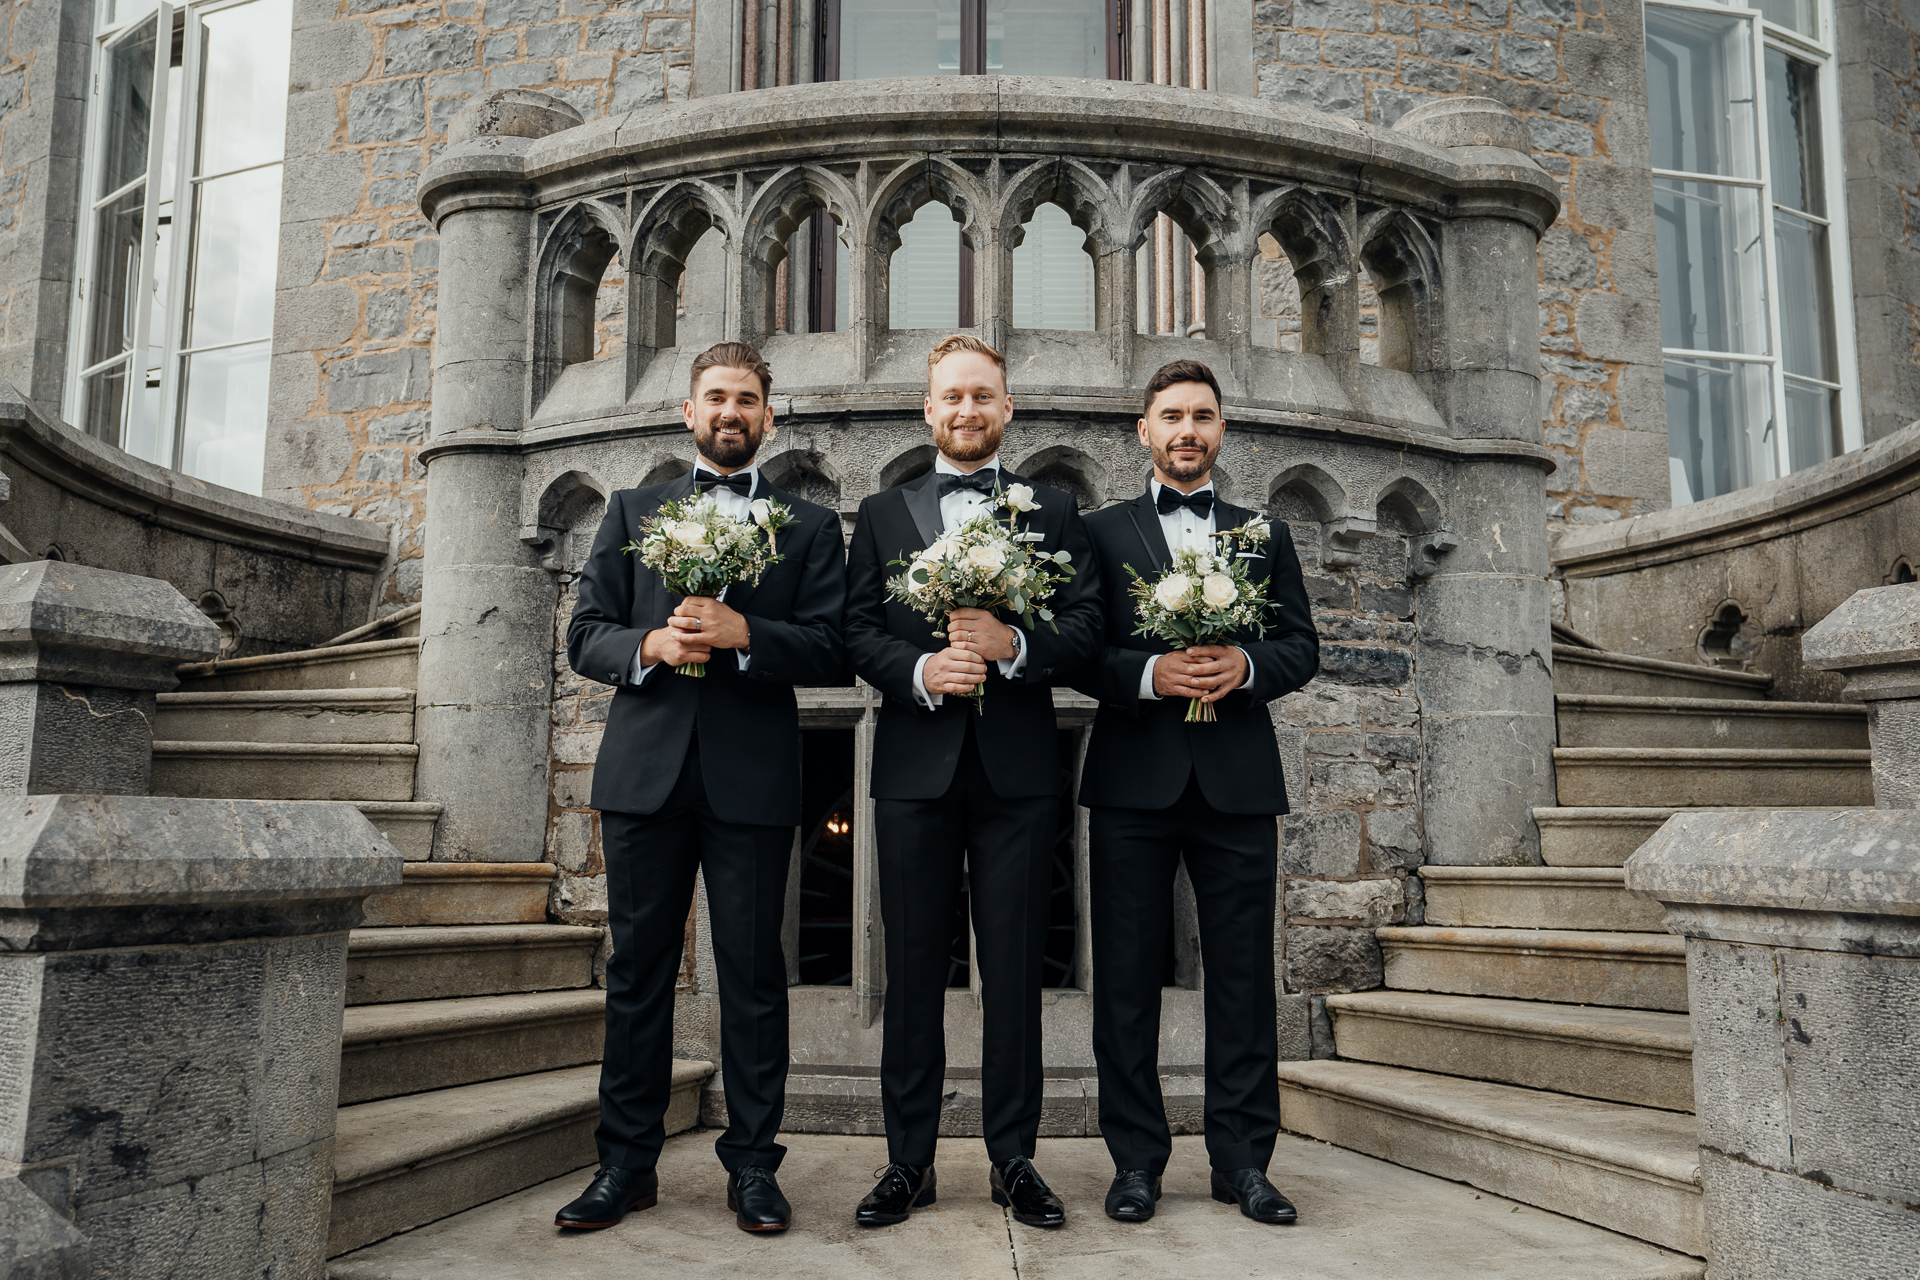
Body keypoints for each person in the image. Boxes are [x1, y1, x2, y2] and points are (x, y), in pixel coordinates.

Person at [556, 342, 846, 1235]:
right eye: (716, 397)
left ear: (768, 415)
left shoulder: (808, 526)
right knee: (639, 974)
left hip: (752, 779)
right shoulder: (633, 509)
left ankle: (754, 1167)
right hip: (644, 777)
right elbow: (586, 634)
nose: (731, 412)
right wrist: (649, 647)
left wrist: (742, 629)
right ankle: (625, 1166)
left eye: (748, 400)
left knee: (755, 976)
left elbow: (832, 647)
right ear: (689, 412)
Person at [842, 335, 1103, 1230]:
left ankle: (1014, 1158)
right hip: (915, 771)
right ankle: (907, 1162)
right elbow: (856, 633)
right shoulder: (882, 515)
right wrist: (921, 672)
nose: (966, 411)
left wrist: (1015, 648)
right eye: (951, 397)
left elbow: (1088, 630)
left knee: (1014, 973)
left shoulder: (1054, 513)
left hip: (1019, 774)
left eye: (982, 397)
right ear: (927, 409)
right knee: (911, 970)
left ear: (1007, 410)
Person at [1069, 359, 1319, 1227]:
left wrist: (1247, 665)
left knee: (1243, 983)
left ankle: (1244, 1163)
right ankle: (1135, 1162)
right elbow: (1078, 653)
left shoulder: (1264, 534)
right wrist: (1148, 673)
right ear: (1143, 431)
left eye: (1202, 416)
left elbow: (1301, 646)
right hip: (1134, 783)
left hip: (1239, 785)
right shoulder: (1101, 533)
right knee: (1127, 984)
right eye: (1171, 416)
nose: (1187, 430)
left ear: (1221, 431)